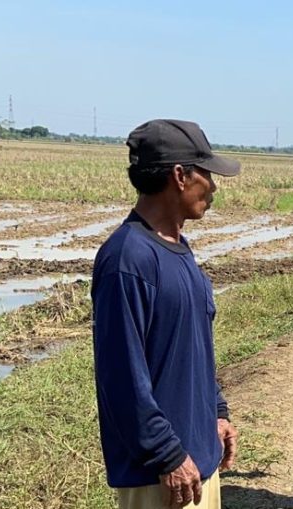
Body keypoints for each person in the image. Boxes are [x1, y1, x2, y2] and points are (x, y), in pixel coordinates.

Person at [92, 119, 241, 509]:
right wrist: (167, 454)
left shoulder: (178, 250)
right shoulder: (128, 259)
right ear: (180, 175)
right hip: (162, 476)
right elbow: (121, 375)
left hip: (197, 460)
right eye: (207, 174)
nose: (214, 187)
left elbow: (193, 348)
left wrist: (218, 412)